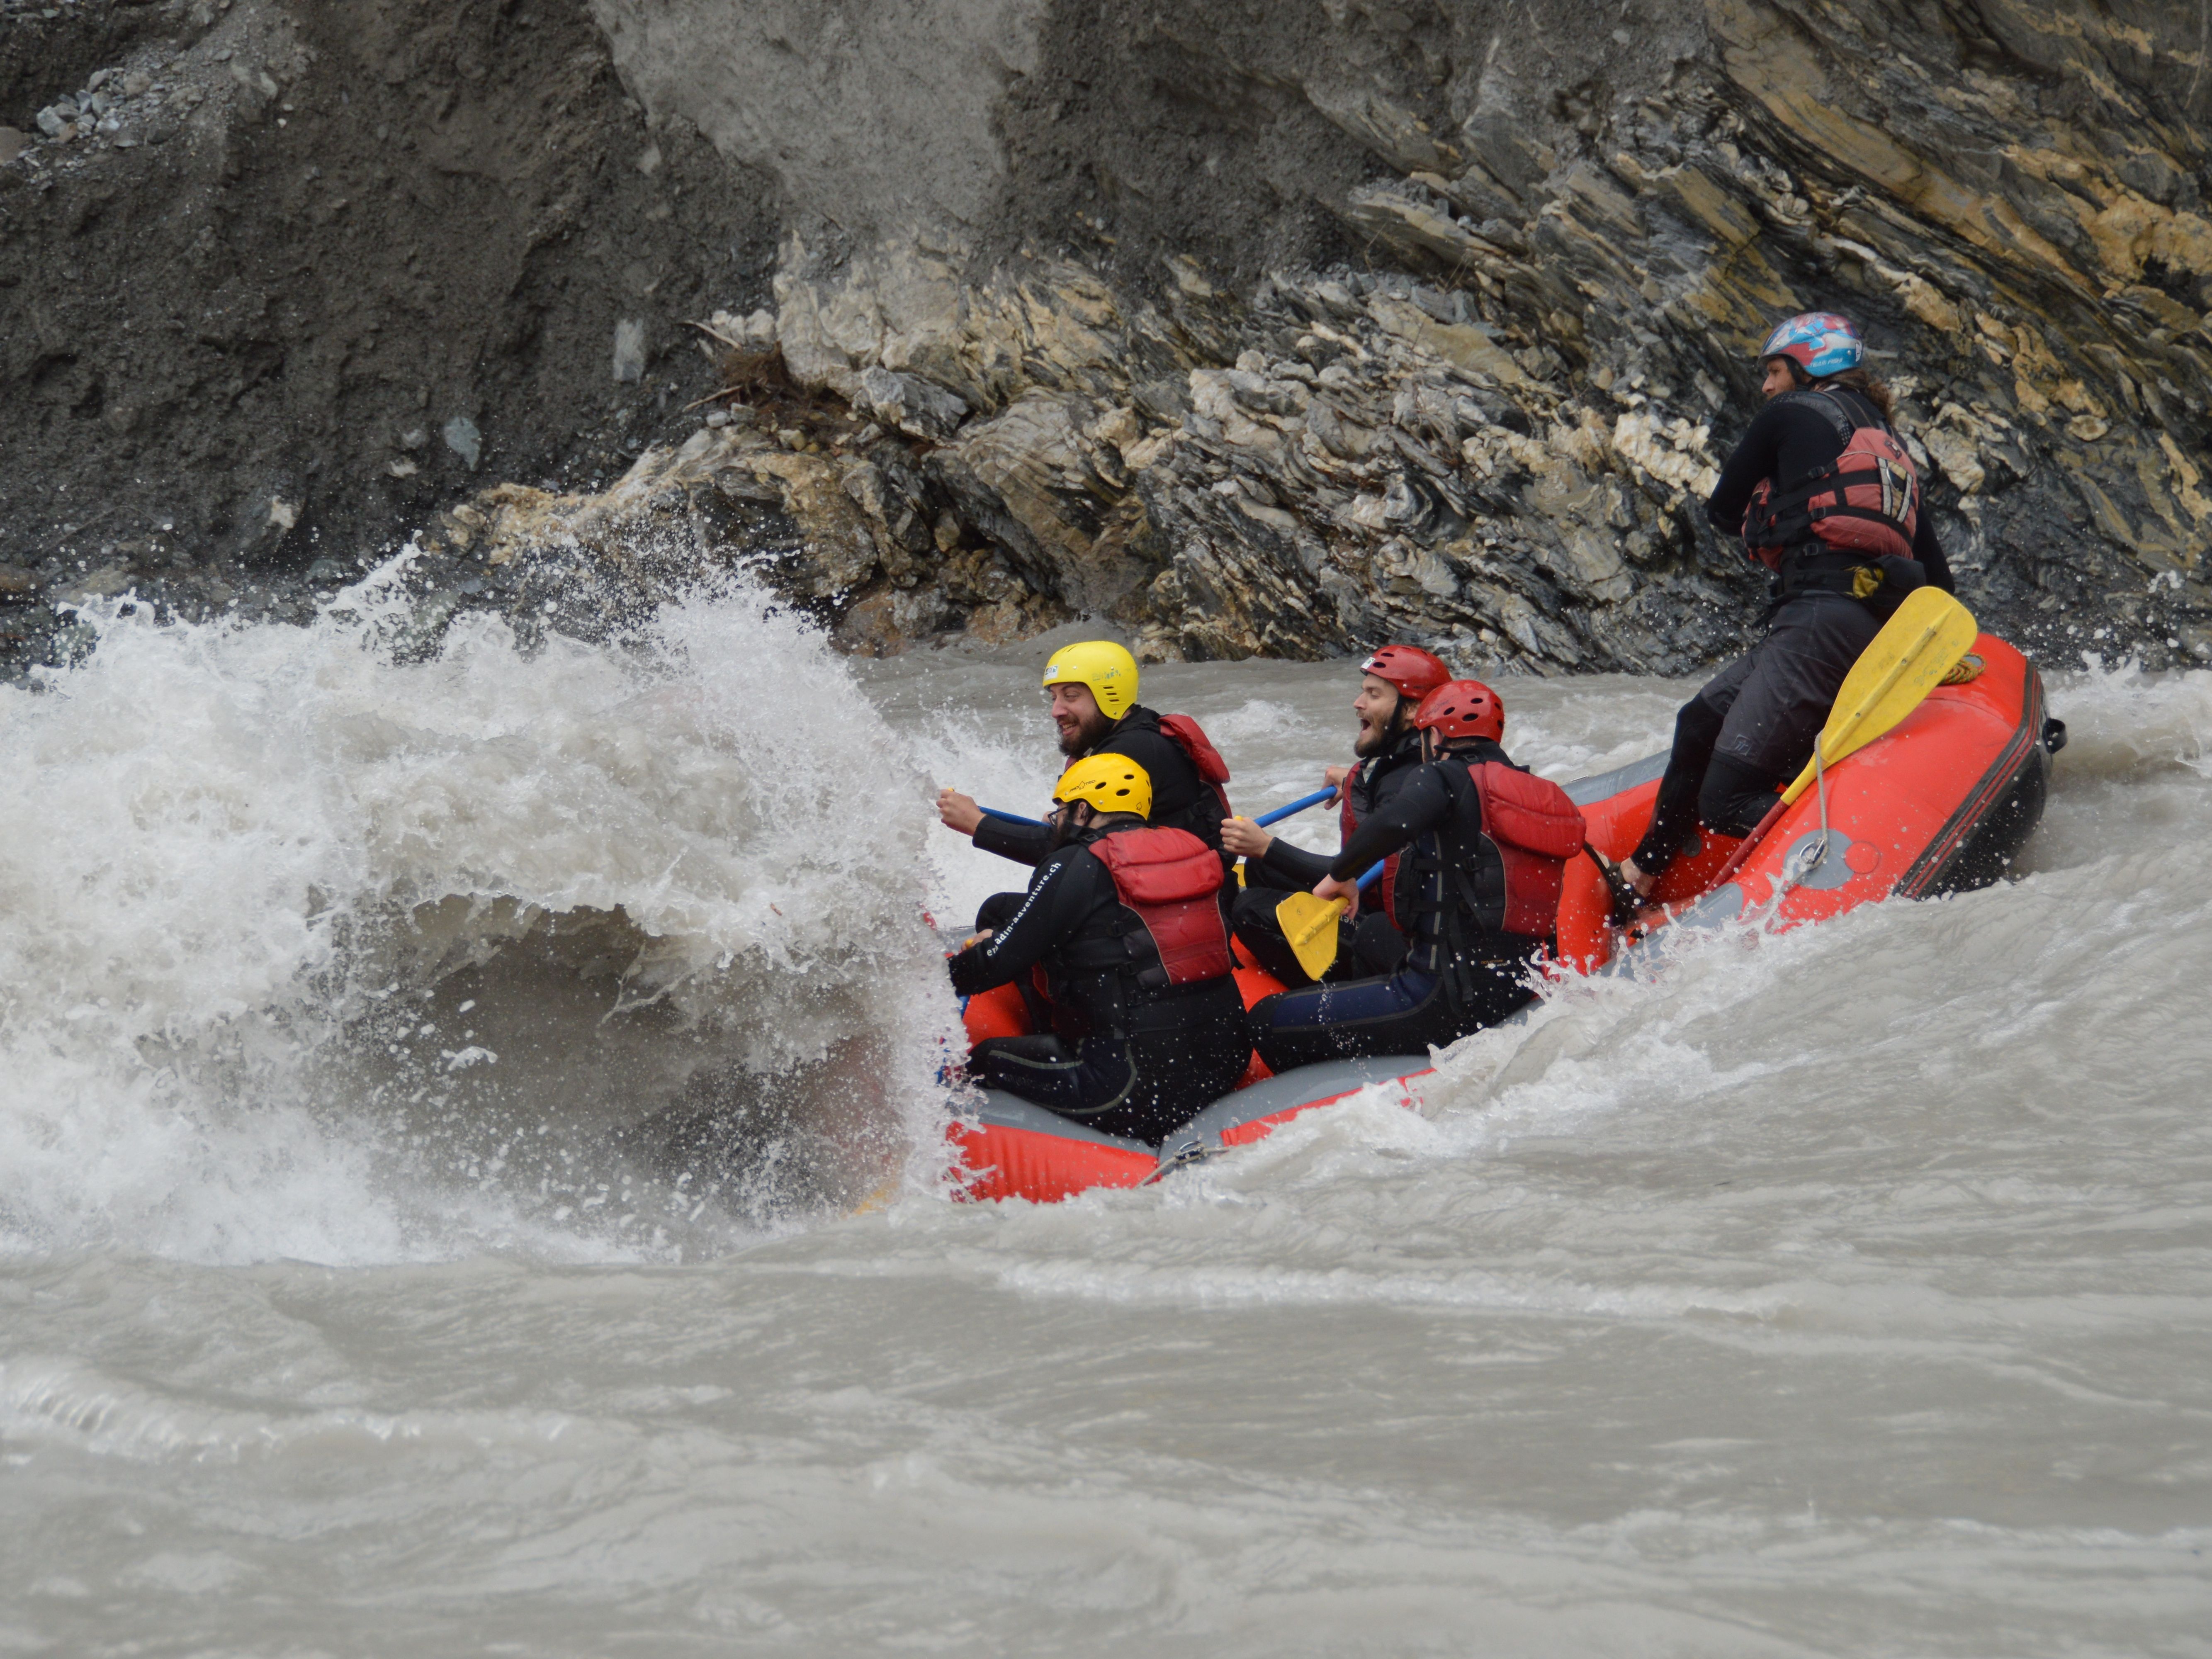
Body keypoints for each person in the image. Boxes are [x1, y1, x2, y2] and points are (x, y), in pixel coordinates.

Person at [1621, 311, 1957, 896]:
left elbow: (1722, 510)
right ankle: (1643, 871)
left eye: (1774, 371)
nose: (1766, 386)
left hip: (1817, 624)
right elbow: (1940, 582)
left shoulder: (1790, 413)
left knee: (1725, 800)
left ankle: (1874, 846)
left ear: (1809, 368)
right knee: (1698, 722)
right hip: (1861, 626)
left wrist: (1772, 497)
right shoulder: (1892, 451)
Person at [1248, 680, 1587, 1073]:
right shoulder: (1543, 794)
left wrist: (1342, 874)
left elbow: (1395, 820)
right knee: (1374, 933)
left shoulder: (1442, 777)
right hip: (1515, 990)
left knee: (1266, 1019)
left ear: (1434, 736)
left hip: (1441, 1000)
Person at [947, 756, 1252, 1144]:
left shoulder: (1075, 862)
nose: (1053, 819)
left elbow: (991, 965)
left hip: (1133, 1087)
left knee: (988, 1058)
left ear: (1083, 810)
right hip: (1227, 1062)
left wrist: (929, 979)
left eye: (1060, 810)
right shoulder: (1191, 848)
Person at [1220, 645, 1449, 985]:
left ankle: (1332, 988)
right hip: (1374, 901)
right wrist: (1356, 781)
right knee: (1261, 869)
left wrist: (1268, 846)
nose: (1358, 703)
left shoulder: (1408, 784)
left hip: (1388, 930)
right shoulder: (1403, 764)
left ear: (1412, 709)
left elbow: (1368, 875)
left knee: (1250, 908)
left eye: (1373, 695)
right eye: (1363, 691)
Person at [936, 640, 1232, 867]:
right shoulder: (1140, 728)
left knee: (997, 910)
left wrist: (978, 825)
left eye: (1071, 696)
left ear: (1110, 696)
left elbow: (1065, 853)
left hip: (1179, 899)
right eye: (1054, 698)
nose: (1056, 711)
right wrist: (1066, 821)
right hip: (1183, 881)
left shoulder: (1127, 755)